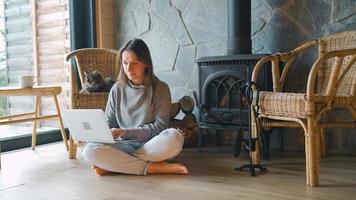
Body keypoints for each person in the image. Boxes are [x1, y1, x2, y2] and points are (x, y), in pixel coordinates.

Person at [82, 38, 189, 176]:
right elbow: (109, 124)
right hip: (124, 146)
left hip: (151, 145)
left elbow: (159, 128)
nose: (129, 69)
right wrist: (90, 136)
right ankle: (154, 167)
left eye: (135, 63)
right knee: (88, 150)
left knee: (175, 138)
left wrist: (124, 132)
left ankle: (116, 165)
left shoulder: (161, 89)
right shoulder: (117, 89)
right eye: (125, 63)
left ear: (146, 63)